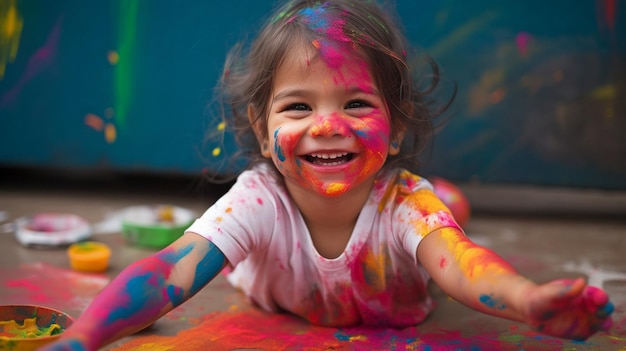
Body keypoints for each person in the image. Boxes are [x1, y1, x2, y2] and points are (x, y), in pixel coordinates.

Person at [41, 0, 613, 349]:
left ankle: (452, 206)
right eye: (297, 107)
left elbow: (463, 270)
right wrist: (82, 338)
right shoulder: (258, 199)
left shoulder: (403, 202)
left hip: (417, 235)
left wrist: (528, 298)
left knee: (443, 221)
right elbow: (169, 271)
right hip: (285, 285)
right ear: (261, 130)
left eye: (357, 104)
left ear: (395, 124)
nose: (328, 124)